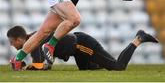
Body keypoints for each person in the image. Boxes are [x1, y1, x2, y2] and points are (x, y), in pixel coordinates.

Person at [9, 26, 159, 71]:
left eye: (12, 42)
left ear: (19, 39)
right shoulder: (34, 39)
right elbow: (44, 65)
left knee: (117, 66)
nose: (11, 45)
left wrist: (22, 66)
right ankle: (105, 62)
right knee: (88, 70)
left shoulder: (34, 41)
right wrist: (24, 64)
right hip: (77, 48)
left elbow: (41, 66)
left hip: (81, 44)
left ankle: (139, 38)